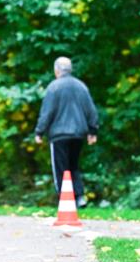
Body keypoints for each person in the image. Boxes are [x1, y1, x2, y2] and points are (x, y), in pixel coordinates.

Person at [33, 57, 99, 208]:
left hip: (59, 135)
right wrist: (93, 131)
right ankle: (79, 197)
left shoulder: (53, 87)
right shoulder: (81, 86)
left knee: (60, 169)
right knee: (74, 166)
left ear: (56, 70)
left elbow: (47, 113)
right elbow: (91, 110)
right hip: (78, 134)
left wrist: (39, 132)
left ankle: (64, 199)